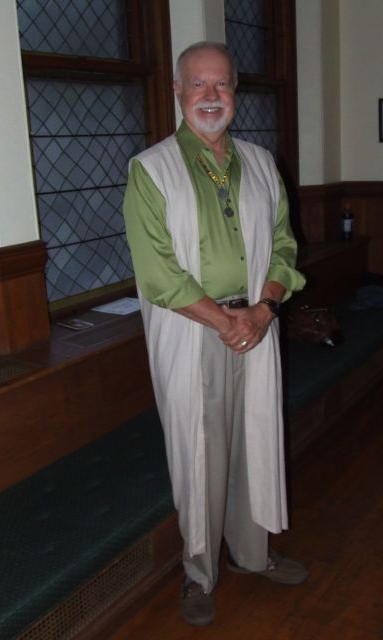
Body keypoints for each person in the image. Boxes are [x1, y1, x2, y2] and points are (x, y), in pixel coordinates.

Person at [124, 41, 307, 627]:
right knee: (200, 453)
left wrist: (264, 311)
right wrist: (228, 321)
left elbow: (284, 246)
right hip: (193, 333)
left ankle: (253, 554)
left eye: (221, 83)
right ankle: (198, 573)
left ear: (235, 91)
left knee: (255, 439)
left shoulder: (261, 162)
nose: (210, 95)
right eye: (198, 84)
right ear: (178, 91)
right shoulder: (150, 170)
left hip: (256, 324)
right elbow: (159, 274)